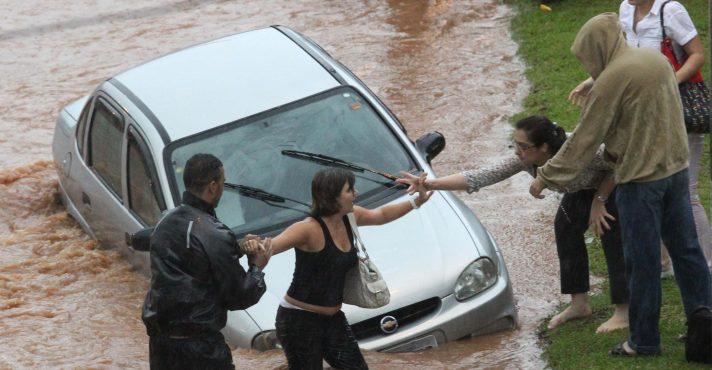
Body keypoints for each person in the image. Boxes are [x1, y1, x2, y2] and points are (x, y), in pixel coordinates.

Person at [530, 13, 711, 356]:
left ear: (599, 47)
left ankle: (643, 340)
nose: (588, 62)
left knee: (641, 262)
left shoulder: (612, 80)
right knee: (687, 253)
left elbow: (583, 140)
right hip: (675, 170)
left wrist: (546, 177)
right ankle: (703, 326)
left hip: (640, 182)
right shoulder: (656, 60)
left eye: (587, 55)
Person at [398, 115, 629, 333]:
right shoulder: (526, 159)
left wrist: (600, 201)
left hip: (613, 187)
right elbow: (481, 176)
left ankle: (624, 311)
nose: (517, 151)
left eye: (523, 146)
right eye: (514, 144)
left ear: (544, 148)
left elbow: (619, 164)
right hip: (580, 191)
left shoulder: (580, 150)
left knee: (611, 236)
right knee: (565, 230)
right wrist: (430, 184)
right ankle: (579, 305)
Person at [569, 0, 712, 272]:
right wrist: (592, 81)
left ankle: (706, 264)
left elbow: (697, 55)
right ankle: (664, 261)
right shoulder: (624, 10)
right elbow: (621, 56)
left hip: (678, 108)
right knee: (648, 183)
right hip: (644, 111)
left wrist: (671, 82)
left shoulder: (671, 11)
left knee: (687, 190)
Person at [247, 168, 431, 370]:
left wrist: (417, 201)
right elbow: (273, 246)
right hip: (298, 321)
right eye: (350, 190)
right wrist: (254, 246)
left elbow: (380, 215)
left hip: (333, 319)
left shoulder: (350, 216)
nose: (356, 193)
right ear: (331, 195)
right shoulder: (308, 228)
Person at [140, 153, 272, 369]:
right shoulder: (215, 233)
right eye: (222, 182)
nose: (222, 188)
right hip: (201, 349)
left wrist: (236, 248)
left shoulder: (165, 222)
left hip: (161, 346)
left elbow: (195, 256)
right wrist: (257, 267)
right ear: (212, 187)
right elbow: (239, 296)